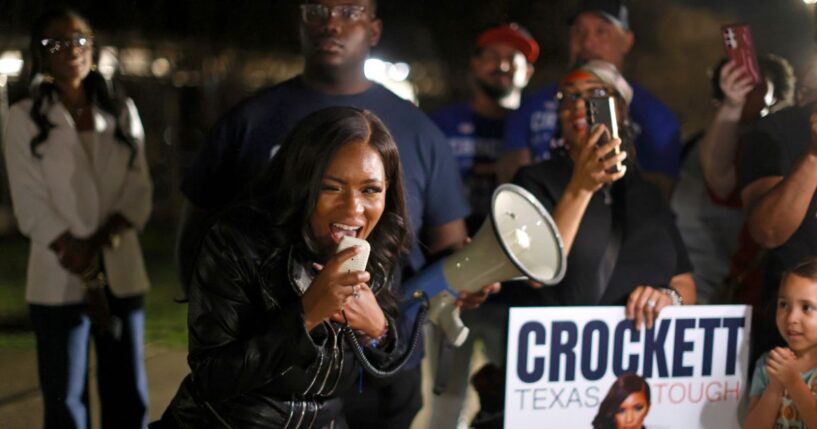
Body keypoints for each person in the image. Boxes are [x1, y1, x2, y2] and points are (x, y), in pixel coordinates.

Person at [177, 1, 495, 426]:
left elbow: (443, 247)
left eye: (348, 11)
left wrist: (463, 279)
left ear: (375, 28)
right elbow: (199, 238)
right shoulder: (249, 122)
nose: (353, 208)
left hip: (368, 387)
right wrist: (302, 312)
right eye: (318, 9)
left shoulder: (416, 133)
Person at [156, 107, 409, 428]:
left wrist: (379, 331)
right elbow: (213, 377)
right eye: (331, 187)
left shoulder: (376, 254)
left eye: (370, 189)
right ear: (301, 182)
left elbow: (378, 381)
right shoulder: (239, 243)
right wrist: (306, 316)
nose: (354, 208)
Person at [3, 8, 152, 429]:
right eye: (58, 43)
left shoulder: (121, 111)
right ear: (41, 54)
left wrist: (100, 243)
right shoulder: (23, 118)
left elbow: (139, 190)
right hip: (58, 273)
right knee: (66, 400)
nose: (71, 50)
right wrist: (79, 255)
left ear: (93, 48)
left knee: (127, 394)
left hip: (120, 268)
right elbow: (29, 203)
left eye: (79, 40)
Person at [512, 60, 695, 326]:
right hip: (565, 351)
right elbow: (536, 274)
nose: (578, 104)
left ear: (620, 110)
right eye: (569, 96)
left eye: (595, 94)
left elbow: (684, 280)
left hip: (642, 355)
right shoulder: (535, 180)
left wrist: (669, 298)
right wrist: (581, 188)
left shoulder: (647, 192)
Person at [426, 23, 537, 429]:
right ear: (474, 65)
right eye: (491, 55)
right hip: (453, 279)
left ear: (528, 73)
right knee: (445, 399)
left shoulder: (534, 129)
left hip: (516, 289)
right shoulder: (440, 123)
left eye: (514, 58)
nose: (502, 65)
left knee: (512, 399)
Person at [500, 0, 681, 199]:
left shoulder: (655, 117)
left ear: (627, 41)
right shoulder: (530, 108)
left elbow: (658, 198)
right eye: (578, 31)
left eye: (602, 31)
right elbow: (512, 193)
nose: (587, 43)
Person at [672, 54, 795, 304]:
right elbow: (719, 180)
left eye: (758, 89)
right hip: (712, 284)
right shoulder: (712, 145)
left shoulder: (784, 143)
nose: (752, 97)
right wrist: (732, 105)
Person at [744, 257, 817, 429]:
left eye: (806, 307)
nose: (791, 318)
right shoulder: (768, 364)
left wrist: (793, 382)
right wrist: (774, 387)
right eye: (784, 304)